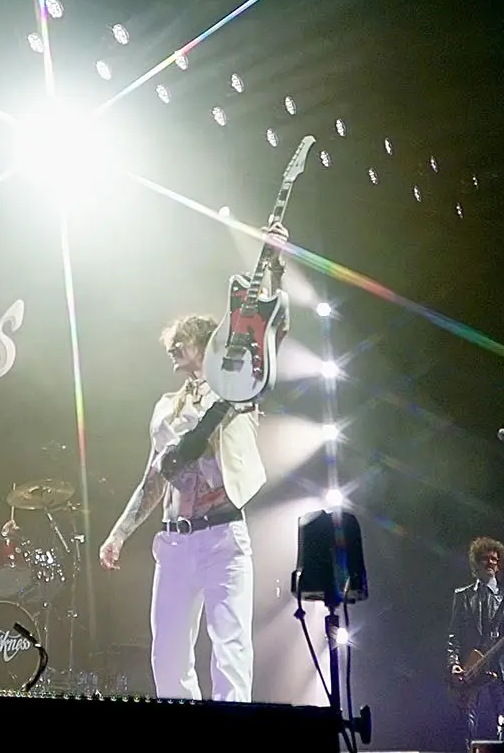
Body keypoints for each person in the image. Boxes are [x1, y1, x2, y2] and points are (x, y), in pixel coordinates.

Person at [97, 221, 290, 703]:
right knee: (168, 656)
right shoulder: (165, 406)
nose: (172, 355)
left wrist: (274, 263)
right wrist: (119, 534)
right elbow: (153, 477)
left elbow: (267, 329)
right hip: (176, 541)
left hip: (224, 535)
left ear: (203, 343)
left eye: (178, 345)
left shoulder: (238, 389)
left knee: (229, 650)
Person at [447, 536, 504, 750]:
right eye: (485, 558)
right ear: (476, 563)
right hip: (471, 667)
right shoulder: (462, 596)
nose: (491, 562)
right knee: (468, 724)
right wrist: (453, 663)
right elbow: (453, 635)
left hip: (500, 667)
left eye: (495, 559)